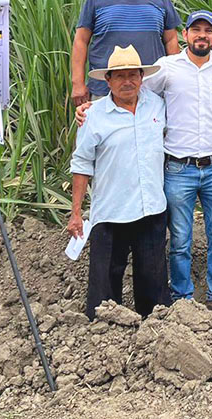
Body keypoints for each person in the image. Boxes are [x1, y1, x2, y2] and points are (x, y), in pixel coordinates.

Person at [77, 11, 212, 318]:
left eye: (208, 30)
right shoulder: (167, 69)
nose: (202, 35)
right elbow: (130, 92)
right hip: (179, 168)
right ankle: (182, 299)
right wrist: (93, 108)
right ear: (185, 35)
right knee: (180, 238)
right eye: (196, 30)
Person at [68, 45, 170, 319]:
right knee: (105, 283)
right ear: (108, 81)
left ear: (141, 77)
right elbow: (81, 164)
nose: (127, 82)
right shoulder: (94, 116)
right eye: (120, 76)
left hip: (151, 208)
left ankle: (155, 328)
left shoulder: (157, 105)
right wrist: (76, 212)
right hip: (112, 211)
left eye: (133, 75)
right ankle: (104, 334)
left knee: (154, 279)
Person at [71, 0, 182, 105]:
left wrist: (175, 80)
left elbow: (171, 40)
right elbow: (81, 40)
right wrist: (77, 83)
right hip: (104, 90)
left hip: (152, 89)